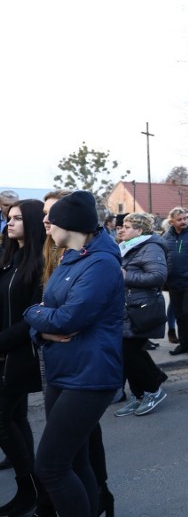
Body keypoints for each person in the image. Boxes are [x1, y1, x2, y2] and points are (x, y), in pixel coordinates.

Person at [24, 191, 124, 517]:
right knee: (75, 460)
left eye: (52, 220)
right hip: (61, 369)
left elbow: (69, 318)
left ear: (68, 224)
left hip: (89, 374)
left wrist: (30, 314)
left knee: (50, 466)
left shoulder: (101, 263)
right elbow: (49, 311)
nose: (46, 225)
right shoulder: (71, 256)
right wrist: (38, 324)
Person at [0, 200, 45, 515]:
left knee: (2, 421)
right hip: (5, 351)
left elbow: (33, 316)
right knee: (15, 418)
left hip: (19, 354)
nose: (10, 223)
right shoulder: (9, 257)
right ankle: (32, 488)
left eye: (17, 218)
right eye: (8, 218)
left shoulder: (40, 263)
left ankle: (31, 489)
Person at [113, 213, 169, 418]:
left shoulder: (151, 246)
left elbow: (159, 276)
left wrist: (127, 276)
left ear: (140, 230)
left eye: (127, 226)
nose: (122, 229)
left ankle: (153, 390)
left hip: (141, 308)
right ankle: (140, 395)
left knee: (130, 351)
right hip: (126, 308)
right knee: (127, 353)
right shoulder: (127, 246)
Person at [163, 207, 188, 358]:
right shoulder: (167, 236)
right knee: (179, 314)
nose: (184, 221)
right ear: (172, 221)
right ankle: (184, 343)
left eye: (186, 218)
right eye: (180, 219)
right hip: (173, 282)